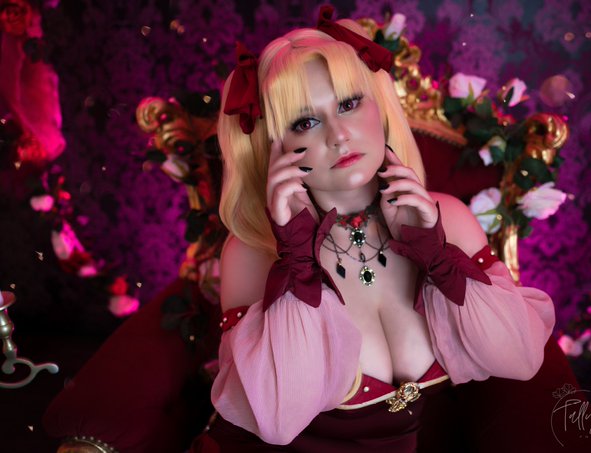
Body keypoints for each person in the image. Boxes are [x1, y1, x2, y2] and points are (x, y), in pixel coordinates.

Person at [192, 6, 555, 452]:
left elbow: (520, 360)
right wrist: (297, 261)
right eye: (305, 122)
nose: (338, 135)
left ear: (379, 107)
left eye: (348, 104)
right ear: (272, 148)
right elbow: (279, 423)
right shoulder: (252, 253)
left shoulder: (447, 216)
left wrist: (436, 256)